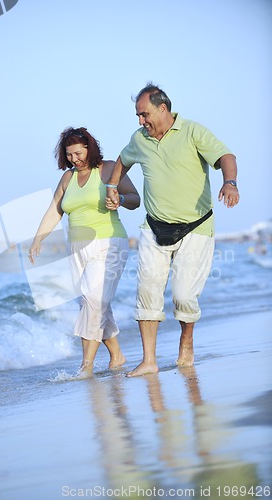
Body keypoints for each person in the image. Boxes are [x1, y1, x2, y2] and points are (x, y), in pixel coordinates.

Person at [106, 83, 240, 377]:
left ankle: (187, 339)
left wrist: (229, 183)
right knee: (147, 291)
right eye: (138, 116)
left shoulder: (193, 131)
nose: (141, 121)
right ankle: (149, 360)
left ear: (162, 108)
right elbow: (122, 160)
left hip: (196, 227)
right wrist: (112, 186)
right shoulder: (139, 139)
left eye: (144, 114)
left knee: (182, 294)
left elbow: (225, 157)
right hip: (154, 227)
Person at [28, 127, 140, 376]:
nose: (74, 159)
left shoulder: (109, 169)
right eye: (69, 155)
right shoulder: (67, 179)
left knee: (92, 301)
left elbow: (135, 198)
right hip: (76, 249)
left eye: (78, 153)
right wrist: (38, 239)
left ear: (90, 148)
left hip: (109, 243)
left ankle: (86, 365)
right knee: (95, 303)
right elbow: (54, 211)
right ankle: (117, 355)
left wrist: (120, 200)